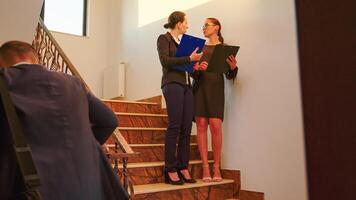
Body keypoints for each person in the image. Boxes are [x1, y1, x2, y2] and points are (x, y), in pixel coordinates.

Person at [0, 41, 129, 200]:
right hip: (86, 186)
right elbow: (109, 120)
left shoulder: (4, 81)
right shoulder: (73, 83)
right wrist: (82, 144)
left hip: (32, 190)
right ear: (36, 58)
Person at [157, 11, 203, 185]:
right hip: (172, 84)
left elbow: (185, 65)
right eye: (186, 23)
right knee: (175, 126)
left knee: (186, 128)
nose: (187, 26)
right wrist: (188, 58)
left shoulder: (183, 43)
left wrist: (194, 64)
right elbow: (165, 62)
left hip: (186, 86)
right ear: (178, 24)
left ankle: (183, 166)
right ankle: (170, 169)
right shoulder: (164, 39)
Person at [193, 18, 238, 182]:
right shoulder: (199, 48)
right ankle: (205, 167)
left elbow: (229, 75)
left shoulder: (225, 48)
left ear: (217, 27)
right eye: (203, 25)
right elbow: (192, 73)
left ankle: (216, 166)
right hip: (199, 88)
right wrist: (197, 69)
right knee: (202, 125)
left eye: (207, 25)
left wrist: (233, 68)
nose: (203, 28)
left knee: (216, 125)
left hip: (216, 89)